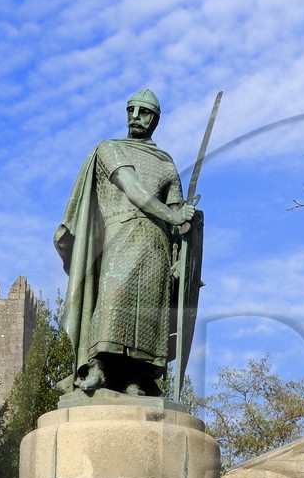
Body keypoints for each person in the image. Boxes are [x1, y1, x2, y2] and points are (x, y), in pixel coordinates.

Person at [55, 88, 198, 396]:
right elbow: (133, 189)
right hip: (119, 237)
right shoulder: (110, 149)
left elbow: (176, 214)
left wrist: (186, 227)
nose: (135, 117)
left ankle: (138, 377)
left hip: (157, 245)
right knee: (112, 300)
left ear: (156, 119)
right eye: (131, 110)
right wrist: (174, 217)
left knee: (149, 311)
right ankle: (99, 369)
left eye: (144, 112)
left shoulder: (166, 164)